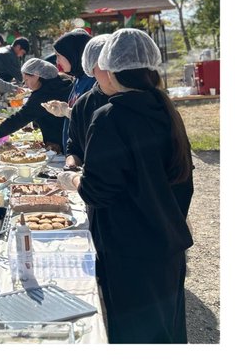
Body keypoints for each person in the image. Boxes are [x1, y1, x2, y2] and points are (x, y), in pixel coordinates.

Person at [60, 29, 193, 342]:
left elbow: (96, 191)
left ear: (109, 70)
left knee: (136, 335)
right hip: (167, 240)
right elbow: (181, 179)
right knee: (169, 330)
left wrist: (71, 179)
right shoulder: (165, 108)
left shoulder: (110, 116)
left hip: (129, 249)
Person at [0, 57, 73, 148]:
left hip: (59, 143)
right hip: (70, 138)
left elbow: (18, 119)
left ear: (36, 76)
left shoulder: (43, 94)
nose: (25, 84)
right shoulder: (62, 81)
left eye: (26, 80)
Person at [63, 35, 109, 169]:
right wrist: (71, 165)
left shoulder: (134, 103)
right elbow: (74, 148)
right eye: (104, 64)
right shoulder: (84, 104)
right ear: (91, 67)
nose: (112, 70)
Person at [51, 29, 97, 150]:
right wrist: (62, 110)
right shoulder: (78, 77)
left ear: (72, 54)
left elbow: (91, 116)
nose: (57, 61)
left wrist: (68, 111)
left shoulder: (93, 80)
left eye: (58, 56)